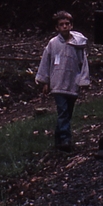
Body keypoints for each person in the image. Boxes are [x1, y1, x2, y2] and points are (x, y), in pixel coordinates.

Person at [36, 11, 90, 152]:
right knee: (63, 111)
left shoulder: (78, 44)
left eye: (67, 24)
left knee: (68, 112)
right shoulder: (53, 44)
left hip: (72, 83)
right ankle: (66, 139)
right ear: (57, 27)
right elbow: (46, 62)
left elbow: (83, 63)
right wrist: (45, 81)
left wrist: (83, 81)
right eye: (61, 25)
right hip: (58, 83)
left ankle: (58, 140)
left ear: (71, 25)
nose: (64, 27)